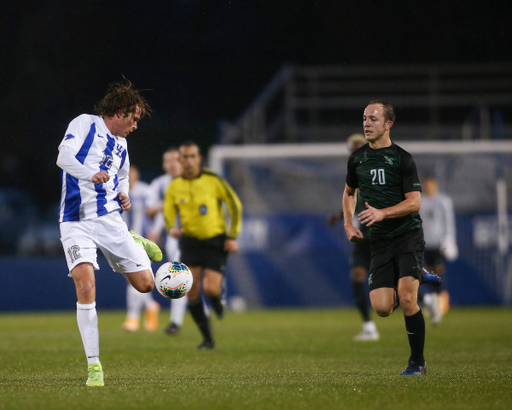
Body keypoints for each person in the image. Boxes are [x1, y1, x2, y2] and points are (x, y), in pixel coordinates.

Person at [56, 79, 162, 387]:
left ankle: (133, 240)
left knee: (146, 286)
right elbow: (63, 157)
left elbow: (123, 175)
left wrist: (124, 193)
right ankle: (94, 367)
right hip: (75, 220)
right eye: (134, 119)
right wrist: (90, 173)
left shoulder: (122, 144)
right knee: (85, 285)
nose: (135, 126)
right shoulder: (85, 124)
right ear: (119, 112)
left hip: (110, 220)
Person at [343, 100, 441, 376]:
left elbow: (414, 202)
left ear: (388, 124)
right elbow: (349, 193)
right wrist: (348, 225)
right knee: (383, 308)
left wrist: (383, 213)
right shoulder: (357, 158)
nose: (366, 123)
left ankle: (417, 362)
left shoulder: (402, 159)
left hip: (407, 235)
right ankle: (416, 274)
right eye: (364, 118)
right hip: (380, 241)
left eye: (373, 119)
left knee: (408, 300)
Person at [163, 141, 243, 349]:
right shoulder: (174, 185)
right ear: (179, 161)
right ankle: (208, 338)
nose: (188, 161)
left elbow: (234, 205)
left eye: (192, 156)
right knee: (190, 290)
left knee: (210, 289)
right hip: (189, 242)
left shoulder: (213, 180)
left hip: (214, 241)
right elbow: (168, 211)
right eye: (184, 157)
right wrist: (171, 227)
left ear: (199, 158)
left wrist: (232, 235)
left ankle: (217, 302)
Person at [329, 134, 379, 341]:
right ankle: (369, 327)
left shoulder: (377, 168)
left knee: (393, 286)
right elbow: (353, 201)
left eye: (358, 146)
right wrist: (341, 216)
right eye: (352, 148)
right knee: (357, 277)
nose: (355, 150)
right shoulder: (354, 172)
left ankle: (426, 298)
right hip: (362, 238)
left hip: (381, 236)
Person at [145, 147, 188, 335]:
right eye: (168, 160)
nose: (172, 163)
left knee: (196, 278)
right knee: (179, 275)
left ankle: (205, 310)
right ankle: (175, 322)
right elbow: (153, 210)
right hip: (175, 236)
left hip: (198, 236)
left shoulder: (193, 181)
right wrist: (155, 229)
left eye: (176, 159)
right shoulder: (161, 184)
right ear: (164, 164)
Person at [121, 165, 161, 332]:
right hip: (122, 238)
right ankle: (151, 306)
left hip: (141, 240)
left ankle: (133, 317)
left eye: (132, 173)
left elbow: (156, 210)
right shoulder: (117, 190)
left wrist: (155, 230)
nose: (130, 176)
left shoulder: (146, 191)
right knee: (133, 278)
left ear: (137, 174)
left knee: (135, 276)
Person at [419, 174, 458, 325]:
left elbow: (449, 222)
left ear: (435, 185)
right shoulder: (420, 201)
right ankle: (435, 301)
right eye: (426, 184)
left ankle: (441, 302)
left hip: (439, 243)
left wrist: (449, 240)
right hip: (424, 243)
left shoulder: (443, 201)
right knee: (427, 272)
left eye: (431, 184)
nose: (428, 187)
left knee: (438, 271)